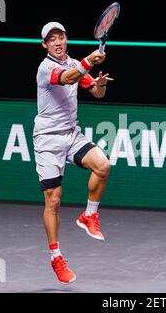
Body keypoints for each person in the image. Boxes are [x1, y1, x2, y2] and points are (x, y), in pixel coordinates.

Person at [33, 22, 113, 284]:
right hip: (47, 140)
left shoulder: (74, 63)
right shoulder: (46, 68)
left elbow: (97, 93)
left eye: (61, 37)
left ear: (66, 40)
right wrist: (90, 60)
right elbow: (68, 78)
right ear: (45, 45)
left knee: (103, 165)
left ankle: (89, 214)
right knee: (53, 200)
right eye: (51, 39)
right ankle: (56, 257)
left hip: (71, 135)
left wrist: (99, 84)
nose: (57, 42)